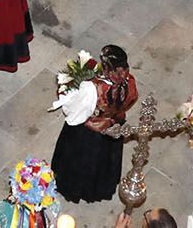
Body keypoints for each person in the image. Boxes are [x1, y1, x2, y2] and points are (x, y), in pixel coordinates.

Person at [50, 44, 136, 206]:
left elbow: (74, 114)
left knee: (82, 161)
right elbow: (130, 100)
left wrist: (66, 94)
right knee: (103, 163)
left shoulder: (92, 88)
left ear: (106, 68)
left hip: (89, 134)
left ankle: (76, 188)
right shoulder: (130, 81)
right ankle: (99, 188)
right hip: (113, 128)